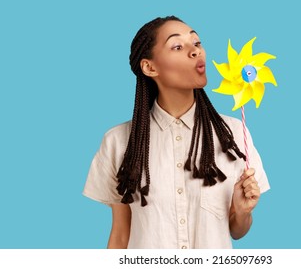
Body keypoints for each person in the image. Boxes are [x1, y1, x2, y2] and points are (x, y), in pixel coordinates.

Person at [83, 16, 270, 249]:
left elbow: (236, 230)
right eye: (178, 46)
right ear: (150, 67)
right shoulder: (119, 141)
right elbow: (121, 235)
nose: (195, 51)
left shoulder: (232, 134)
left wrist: (242, 212)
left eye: (197, 43)